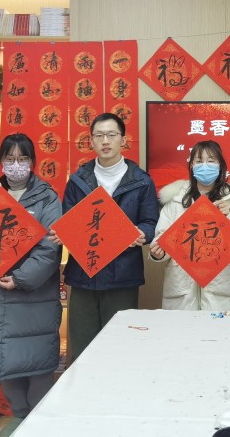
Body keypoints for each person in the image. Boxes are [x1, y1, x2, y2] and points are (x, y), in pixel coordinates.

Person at [55, 113, 158, 361]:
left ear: (123, 140)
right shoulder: (78, 180)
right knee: (82, 349)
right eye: (99, 135)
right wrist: (65, 233)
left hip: (123, 275)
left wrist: (142, 233)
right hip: (83, 275)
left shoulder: (141, 181)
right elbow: (68, 219)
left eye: (111, 135)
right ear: (91, 141)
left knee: (120, 349)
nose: (105, 141)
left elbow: (150, 222)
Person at [0, 133, 62, 433]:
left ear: (33, 162)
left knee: (38, 362)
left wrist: (21, 278)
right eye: (9, 159)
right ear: (1, 162)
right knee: (4, 360)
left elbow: (50, 248)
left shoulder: (47, 197)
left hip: (34, 295)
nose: (16, 165)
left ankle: (37, 420)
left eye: (22, 159)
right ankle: (19, 415)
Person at [149, 140, 230, 310]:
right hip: (182, 288)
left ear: (220, 165)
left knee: (220, 328)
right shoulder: (175, 199)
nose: (205, 166)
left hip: (221, 290)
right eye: (199, 161)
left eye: (211, 161)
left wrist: (229, 217)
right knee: (183, 328)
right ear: (191, 165)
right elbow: (162, 237)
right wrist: (158, 252)